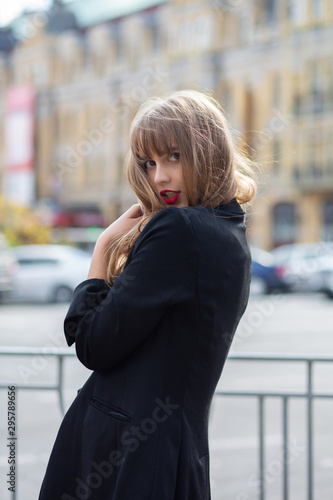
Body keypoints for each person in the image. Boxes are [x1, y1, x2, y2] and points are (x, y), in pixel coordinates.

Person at [38, 89, 257, 500]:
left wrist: (104, 244)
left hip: (125, 458)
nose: (159, 177)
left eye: (174, 156)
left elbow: (92, 343)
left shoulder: (179, 229)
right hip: (173, 453)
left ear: (209, 152)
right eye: (149, 162)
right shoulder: (232, 236)